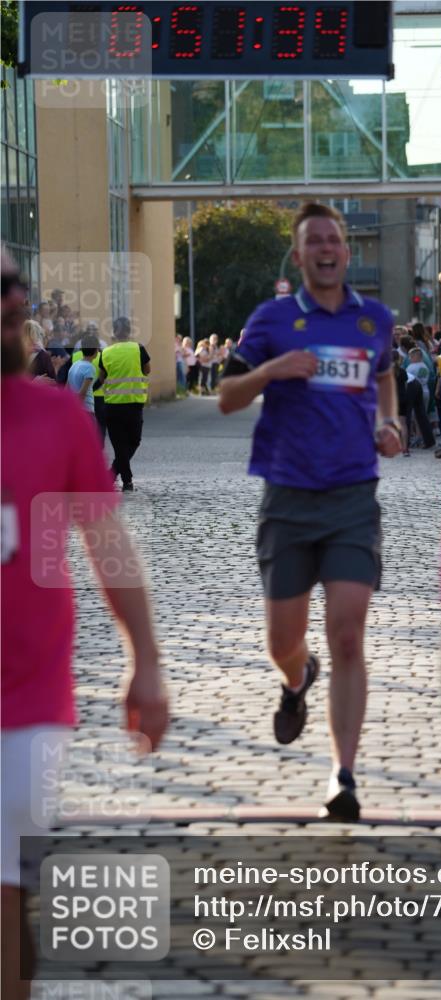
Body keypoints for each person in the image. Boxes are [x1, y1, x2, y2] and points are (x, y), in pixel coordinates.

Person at [1, 250, 169, 1000]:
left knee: (4, 893)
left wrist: (147, 663)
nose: (14, 297)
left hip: (26, 703)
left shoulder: (54, 415)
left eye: (16, 285)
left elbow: (108, 543)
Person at [218, 201, 402, 821]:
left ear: (346, 251)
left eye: (335, 239)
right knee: (284, 641)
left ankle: (341, 777)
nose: (326, 248)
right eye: (313, 242)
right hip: (288, 498)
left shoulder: (374, 320)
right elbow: (225, 399)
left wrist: (390, 421)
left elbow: (384, 377)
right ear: (298, 257)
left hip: (353, 495)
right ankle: (297, 680)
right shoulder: (270, 320)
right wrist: (271, 370)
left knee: (349, 632)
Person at [99, 316, 150, 493]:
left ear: (113, 332)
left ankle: (114, 477)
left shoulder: (105, 352)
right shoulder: (139, 348)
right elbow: (147, 370)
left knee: (119, 445)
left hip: (112, 406)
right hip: (134, 405)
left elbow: (101, 377)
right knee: (134, 441)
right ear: (129, 331)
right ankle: (122, 480)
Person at [72, 325, 107, 441]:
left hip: (77, 398)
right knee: (100, 425)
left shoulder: (75, 358)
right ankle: (98, 449)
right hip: (98, 396)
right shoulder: (102, 357)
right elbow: (104, 377)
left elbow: (68, 382)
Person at [67, 334, 99, 417]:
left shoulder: (74, 364)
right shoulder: (90, 368)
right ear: (96, 350)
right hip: (86, 410)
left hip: (73, 408)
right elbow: (83, 393)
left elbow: (66, 388)